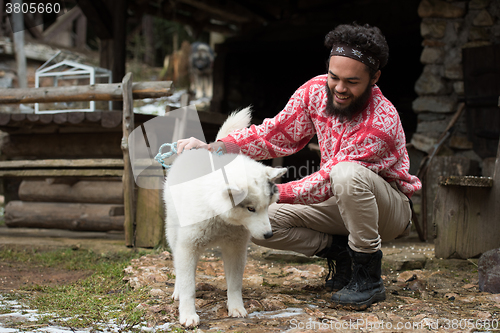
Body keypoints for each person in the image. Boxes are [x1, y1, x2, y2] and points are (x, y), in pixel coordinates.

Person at [176, 22, 422, 310]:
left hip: (386, 210)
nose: (340, 88)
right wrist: (215, 148)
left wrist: (263, 192)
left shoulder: (381, 121)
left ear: (375, 77)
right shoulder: (315, 91)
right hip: (338, 200)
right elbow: (275, 134)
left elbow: (327, 180)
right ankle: (342, 255)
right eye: (334, 77)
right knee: (263, 223)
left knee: (346, 174)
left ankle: (368, 275)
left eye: (352, 82)